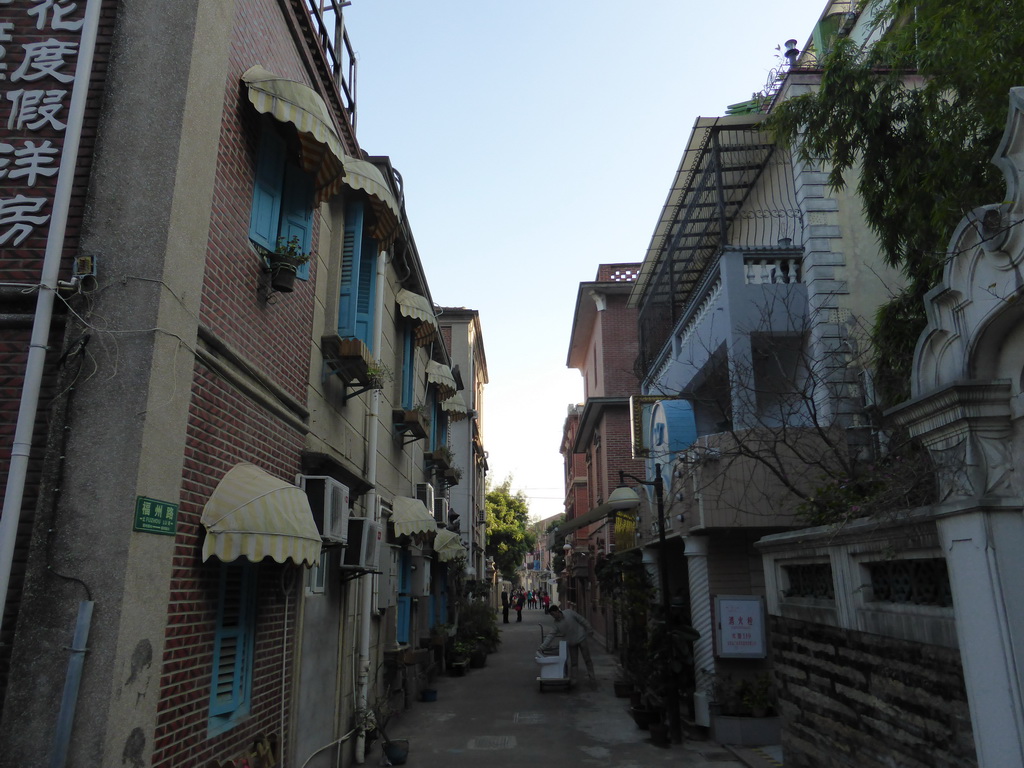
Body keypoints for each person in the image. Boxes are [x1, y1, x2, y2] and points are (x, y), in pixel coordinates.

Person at [538, 604, 596, 685]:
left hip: (581, 638)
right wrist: (542, 647)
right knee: (574, 662)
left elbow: (581, 619)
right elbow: (550, 636)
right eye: (552, 615)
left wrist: (589, 628)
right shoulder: (556, 624)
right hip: (571, 643)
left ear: (557, 611)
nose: (553, 616)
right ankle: (574, 680)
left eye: (553, 614)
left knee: (587, 659)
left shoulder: (569, 613)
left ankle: (592, 678)